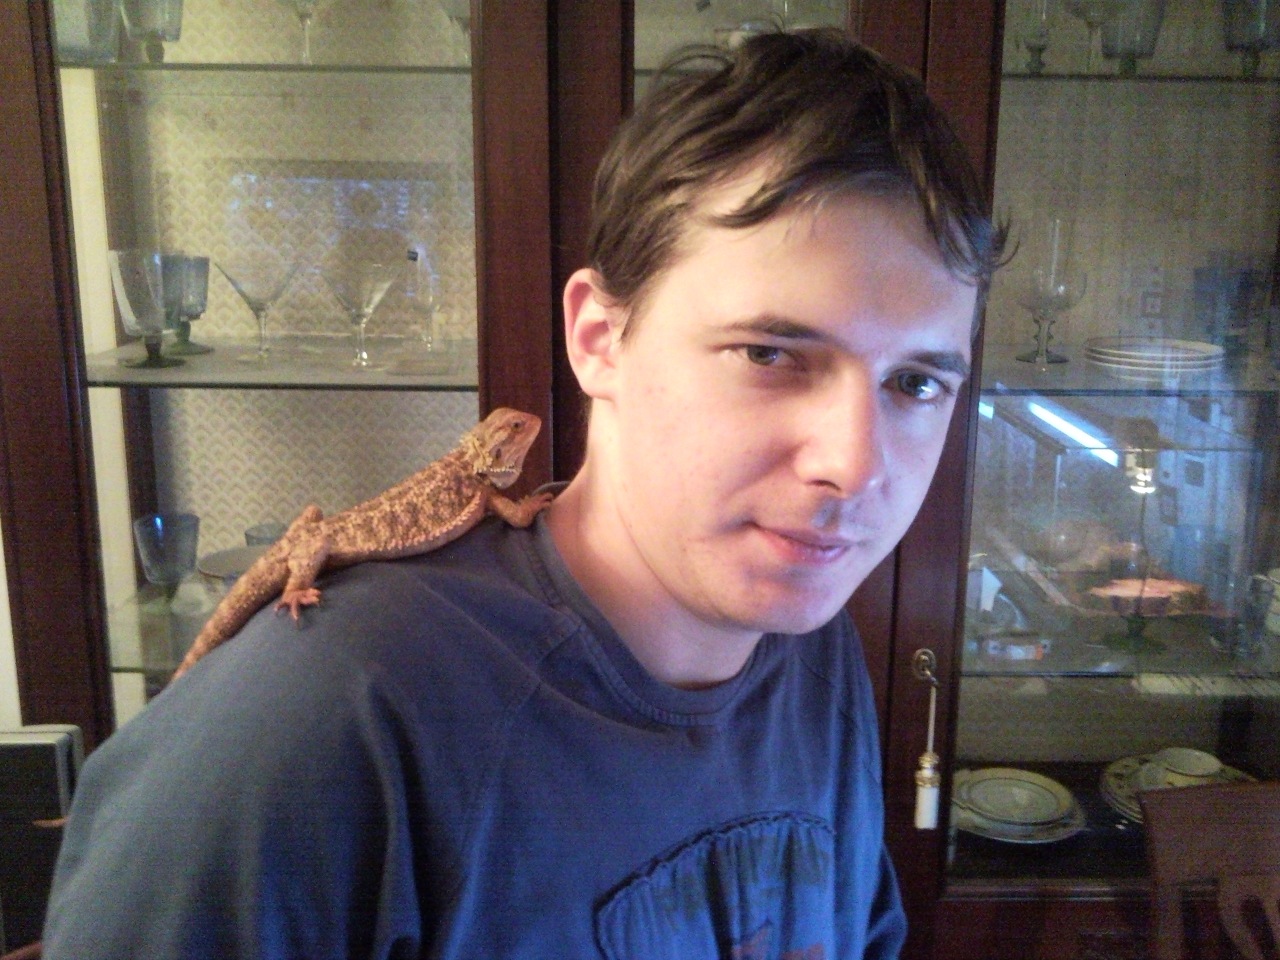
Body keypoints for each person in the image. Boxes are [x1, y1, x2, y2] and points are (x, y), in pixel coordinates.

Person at [42, 28, 1003, 960]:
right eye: (768, 353)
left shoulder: (813, 648)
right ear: (598, 340)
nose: (854, 466)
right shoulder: (306, 730)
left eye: (917, 383)